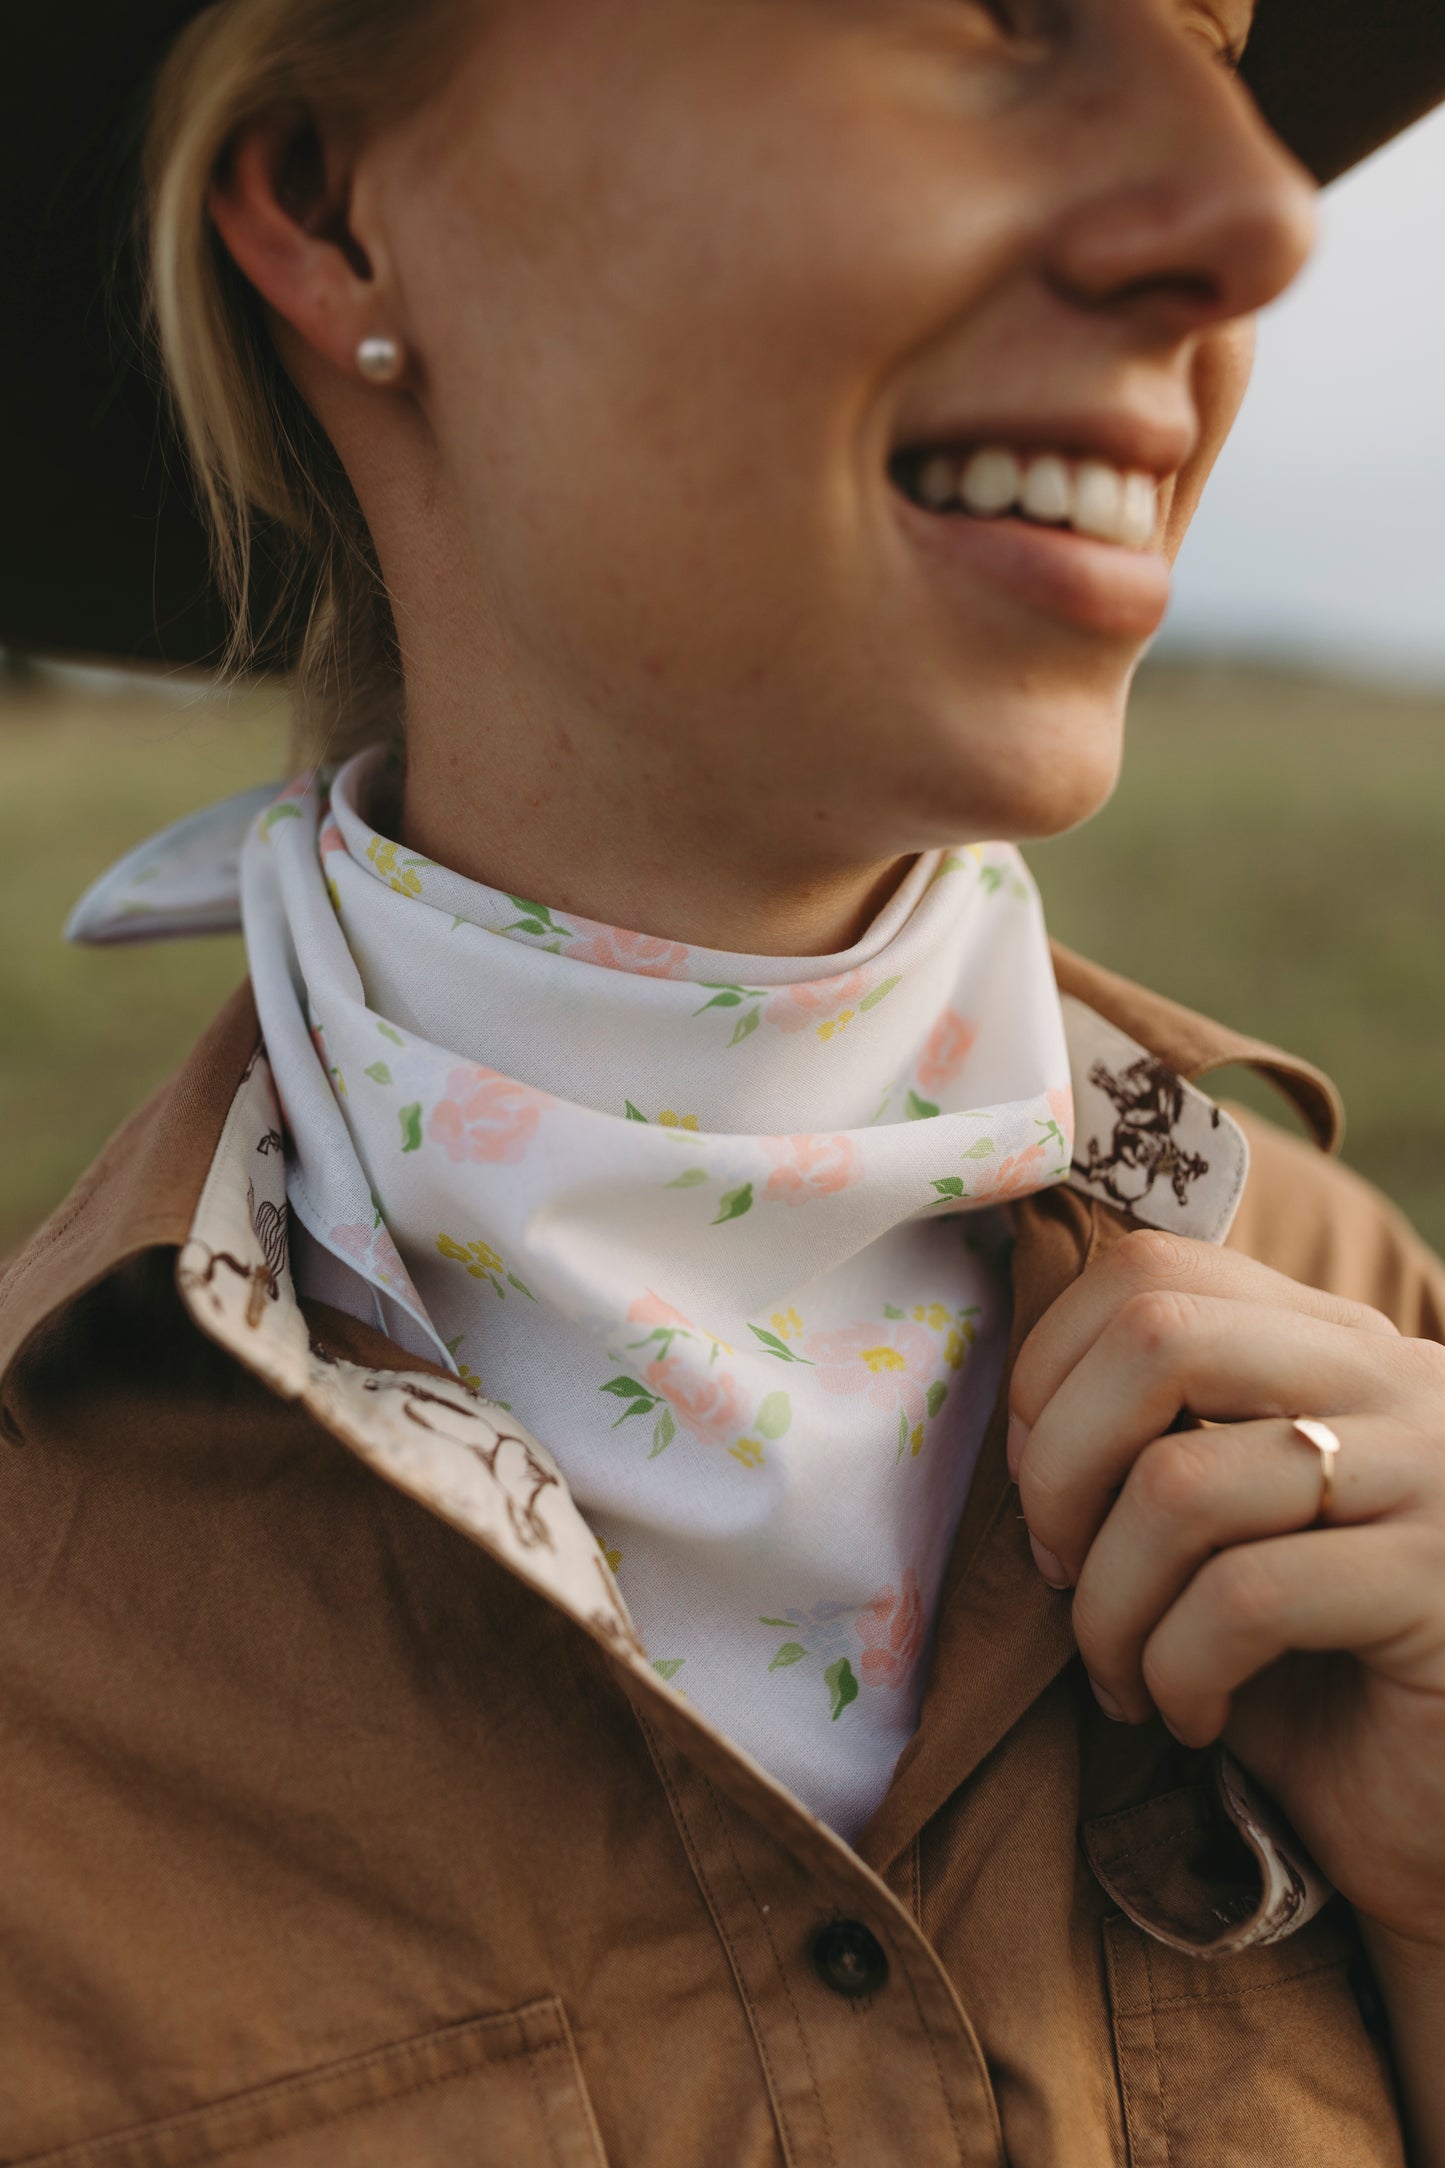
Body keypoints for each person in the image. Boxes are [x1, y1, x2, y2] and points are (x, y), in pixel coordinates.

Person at [3, 2, 1445, 2161]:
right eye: (992, 14)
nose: (1254, 217)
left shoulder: (1369, 1340)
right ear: (336, 213)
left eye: (1221, 38)